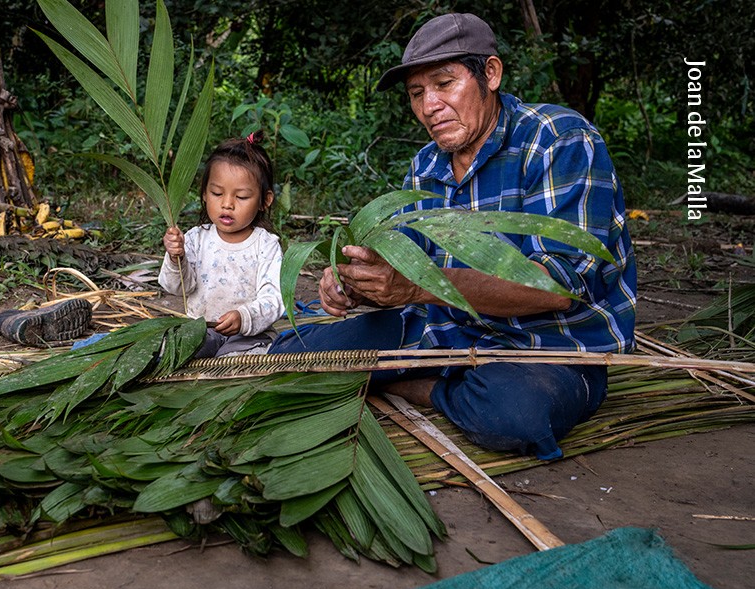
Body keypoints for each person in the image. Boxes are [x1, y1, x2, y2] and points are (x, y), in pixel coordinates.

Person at [269, 13, 637, 461]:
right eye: (417, 93)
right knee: (295, 354)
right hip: (445, 331)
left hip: (546, 349)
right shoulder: (427, 166)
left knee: (513, 415)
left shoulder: (558, 140)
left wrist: (416, 287)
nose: (429, 107)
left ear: (491, 74)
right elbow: (402, 270)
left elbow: (558, 288)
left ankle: (417, 386)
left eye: (444, 84)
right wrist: (356, 283)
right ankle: (432, 378)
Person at [159, 132, 285, 358]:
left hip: (250, 337)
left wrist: (244, 316)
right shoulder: (196, 238)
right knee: (169, 353)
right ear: (205, 194)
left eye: (242, 197)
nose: (227, 204)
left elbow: (275, 299)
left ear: (265, 201)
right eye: (217, 193)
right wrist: (175, 257)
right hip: (202, 331)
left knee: (237, 363)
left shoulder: (266, 245)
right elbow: (178, 288)